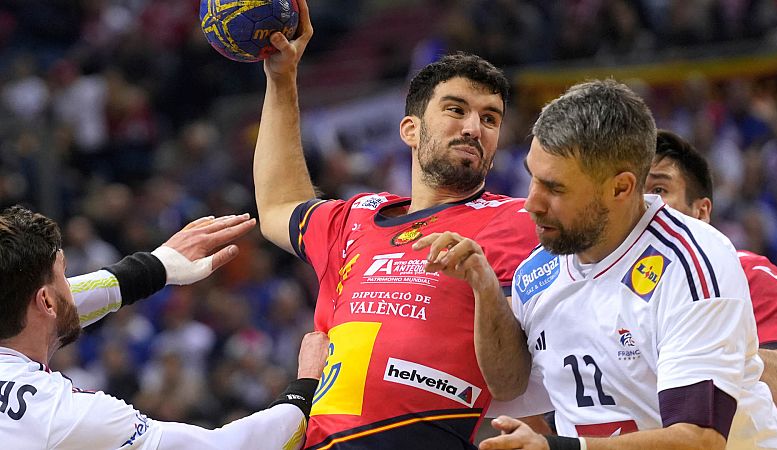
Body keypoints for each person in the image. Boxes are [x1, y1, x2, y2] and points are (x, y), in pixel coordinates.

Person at [414, 79, 777, 449]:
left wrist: (562, 448)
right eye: (533, 179)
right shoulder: (538, 269)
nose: (531, 203)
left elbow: (699, 439)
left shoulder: (692, 262)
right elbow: (510, 385)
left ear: (621, 188)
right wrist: (484, 286)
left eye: (556, 188)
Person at [251, 0, 539, 447]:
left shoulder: (519, 220)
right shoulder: (357, 217)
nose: (473, 128)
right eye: (455, 110)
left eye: (489, 118)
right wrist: (282, 78)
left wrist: (483, 285)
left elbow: (511, 381)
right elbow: (278, 205)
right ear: (410, 129)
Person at [0, 205, 330, 449]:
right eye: (64, 275)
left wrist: (153, 267)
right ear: (45, 301)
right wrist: (306, 388)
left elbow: (54, 307)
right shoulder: (67, 417)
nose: (72, 287)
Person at [646, 129, 777, 433]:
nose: (644, 205)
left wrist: (701, 344)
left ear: (701, 211)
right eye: (633, 191)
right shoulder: (595, 287)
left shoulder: (751, 274)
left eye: (659, 190)